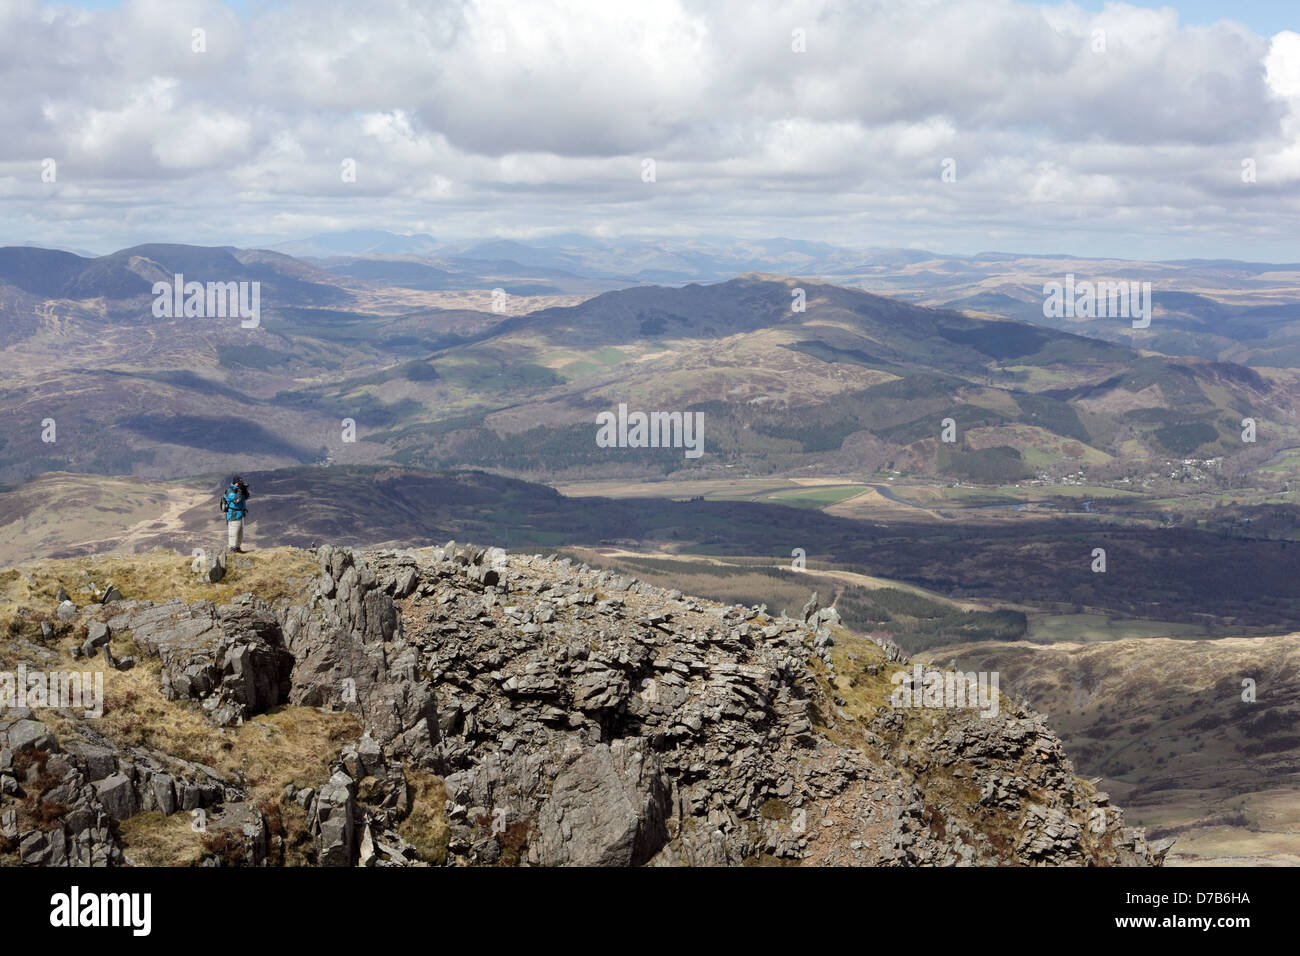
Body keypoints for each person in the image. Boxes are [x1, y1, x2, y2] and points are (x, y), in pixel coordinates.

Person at [222, 475, 250, 553]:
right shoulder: (230, 491)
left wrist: (245, 490)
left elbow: (247, 497)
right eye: (239, 483)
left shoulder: (238, 490)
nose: (240, 484)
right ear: (235, 483)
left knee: (240, 532)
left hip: (241, 514)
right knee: (233, 532)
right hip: (234, 514)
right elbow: (236, 500)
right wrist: (240, 491)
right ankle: (232, 548)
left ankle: (237, 548)